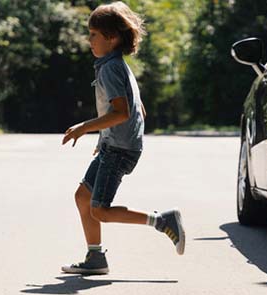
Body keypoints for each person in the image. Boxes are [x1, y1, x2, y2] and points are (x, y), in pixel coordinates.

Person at [60, 2, 185, 275]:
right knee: (83, 197)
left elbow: (122, 112)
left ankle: (163, 221)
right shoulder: (114, 65)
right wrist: (104, 136)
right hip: (114, 145)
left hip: (119, 150)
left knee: (100, 210)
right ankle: (96, 258)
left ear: (112, 38)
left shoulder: (110, 69)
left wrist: (85, 127)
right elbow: (138, 109)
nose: (89, 39)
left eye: (94, 34)